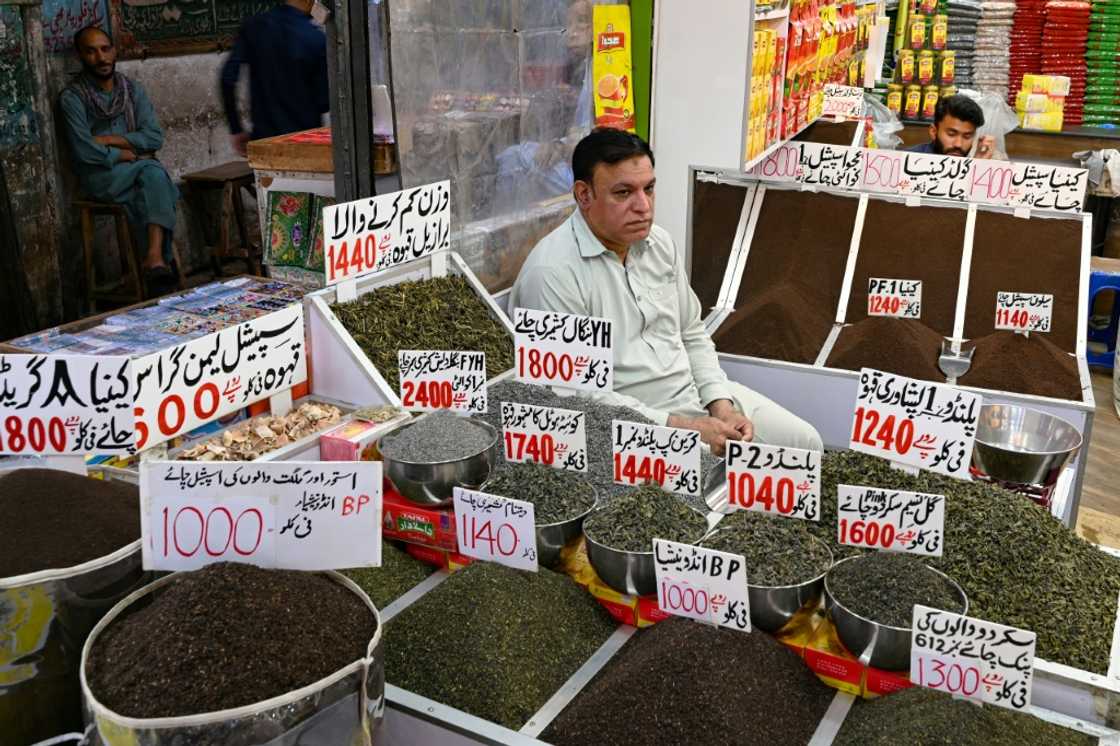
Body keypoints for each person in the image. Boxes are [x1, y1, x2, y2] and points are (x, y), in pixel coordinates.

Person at [509, 128, 823, 456]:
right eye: (623, 193)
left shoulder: (659, 244)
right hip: (632, 428)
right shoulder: (552, 274)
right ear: (584, 195)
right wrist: (682, 427)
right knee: (724, 483)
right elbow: (574, 396)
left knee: (806, 444)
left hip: (695, 398)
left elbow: (692, 334)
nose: (642, 206)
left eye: (649, 189)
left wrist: (721, 405)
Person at [60, 25, 178, 286]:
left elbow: (154, 137)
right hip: (100, 177)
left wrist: (108, 140)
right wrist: (122, 155)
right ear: (80, 56)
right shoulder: (72, 98)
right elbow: (83, 150)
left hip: (136, 171)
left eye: (105, 49)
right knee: (154, 175)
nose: (101, 58)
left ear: (114, 51)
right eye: (91, 52)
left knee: (149, 183)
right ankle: (158, 259)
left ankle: (150, 262)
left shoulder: (132, 90)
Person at [220, 0, 329, 157]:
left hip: (264, 144)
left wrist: (236, 128)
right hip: (305, 146)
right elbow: (323, 102)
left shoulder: (253, 27)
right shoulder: (315, 38)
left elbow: (227, 79)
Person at [908, 94, 995, 158]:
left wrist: (978, 166)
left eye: (967, 136)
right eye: (951, 134)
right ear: (934, 132)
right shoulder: (905, 161)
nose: (958, 144)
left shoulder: (973, 162)